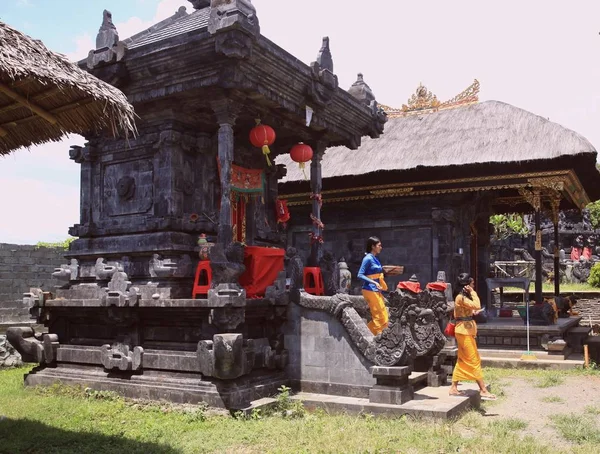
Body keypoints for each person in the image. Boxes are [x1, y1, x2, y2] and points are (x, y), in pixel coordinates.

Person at [449, 273, 496, 400]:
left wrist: (472, 312)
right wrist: (473, 292)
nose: (473, 286)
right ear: (467, 286)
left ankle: (453, 387)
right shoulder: (460, 297)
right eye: (472, 284)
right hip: (463, 332)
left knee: (463, 359)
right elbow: (477, 305)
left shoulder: (462, 298)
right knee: (473, 359)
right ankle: (483, 389)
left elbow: (471, 309)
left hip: (467, 331)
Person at [357, 236, 389, 335]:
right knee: (379, 316)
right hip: (369, 289)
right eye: (379, 245)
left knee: (383, 315)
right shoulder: (367, 259)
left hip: (375, 290)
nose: (381, 247)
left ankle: (369, 333)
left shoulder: (374, 258)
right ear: (373, 246)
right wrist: (374, 282)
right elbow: (360, 274)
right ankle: (374, 336)